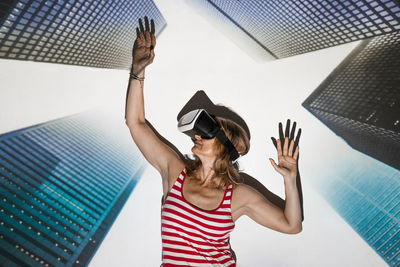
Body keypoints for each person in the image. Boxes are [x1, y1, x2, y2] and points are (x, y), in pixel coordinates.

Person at [125, 17, 302, 266]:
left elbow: (292, 225)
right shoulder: (176, 173)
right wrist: (138, 69)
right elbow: (136, 123)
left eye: (205, 132)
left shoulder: (238, 196)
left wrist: (290, 179)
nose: (196, 135)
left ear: (225, 145)